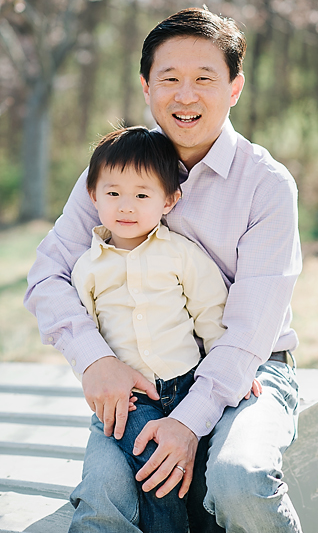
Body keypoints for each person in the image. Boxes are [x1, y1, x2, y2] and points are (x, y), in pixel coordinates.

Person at [25, 8, 303, 533]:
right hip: (140, 377)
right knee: (104, 498)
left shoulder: (266, 184)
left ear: (235, 87)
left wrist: (187, 423)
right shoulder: (111, 174)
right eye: (169, 79)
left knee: (240, 477)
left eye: (205, 79)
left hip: (248, 373)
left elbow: (248, 333)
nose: (185, 95)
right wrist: (94, 361)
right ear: (146, 86)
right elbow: (46, 275)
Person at [71, 126, 233, 532]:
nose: (126, 206)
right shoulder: (87, 269)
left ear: (168, 200)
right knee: (157, 467)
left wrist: (229, 364)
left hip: (188, 385)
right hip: (130, 397)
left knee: (198, 478)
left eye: (142, 195)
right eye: (113, 194)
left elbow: (210, 309)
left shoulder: (180, 253)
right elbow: (85, 334)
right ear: (93, 195)